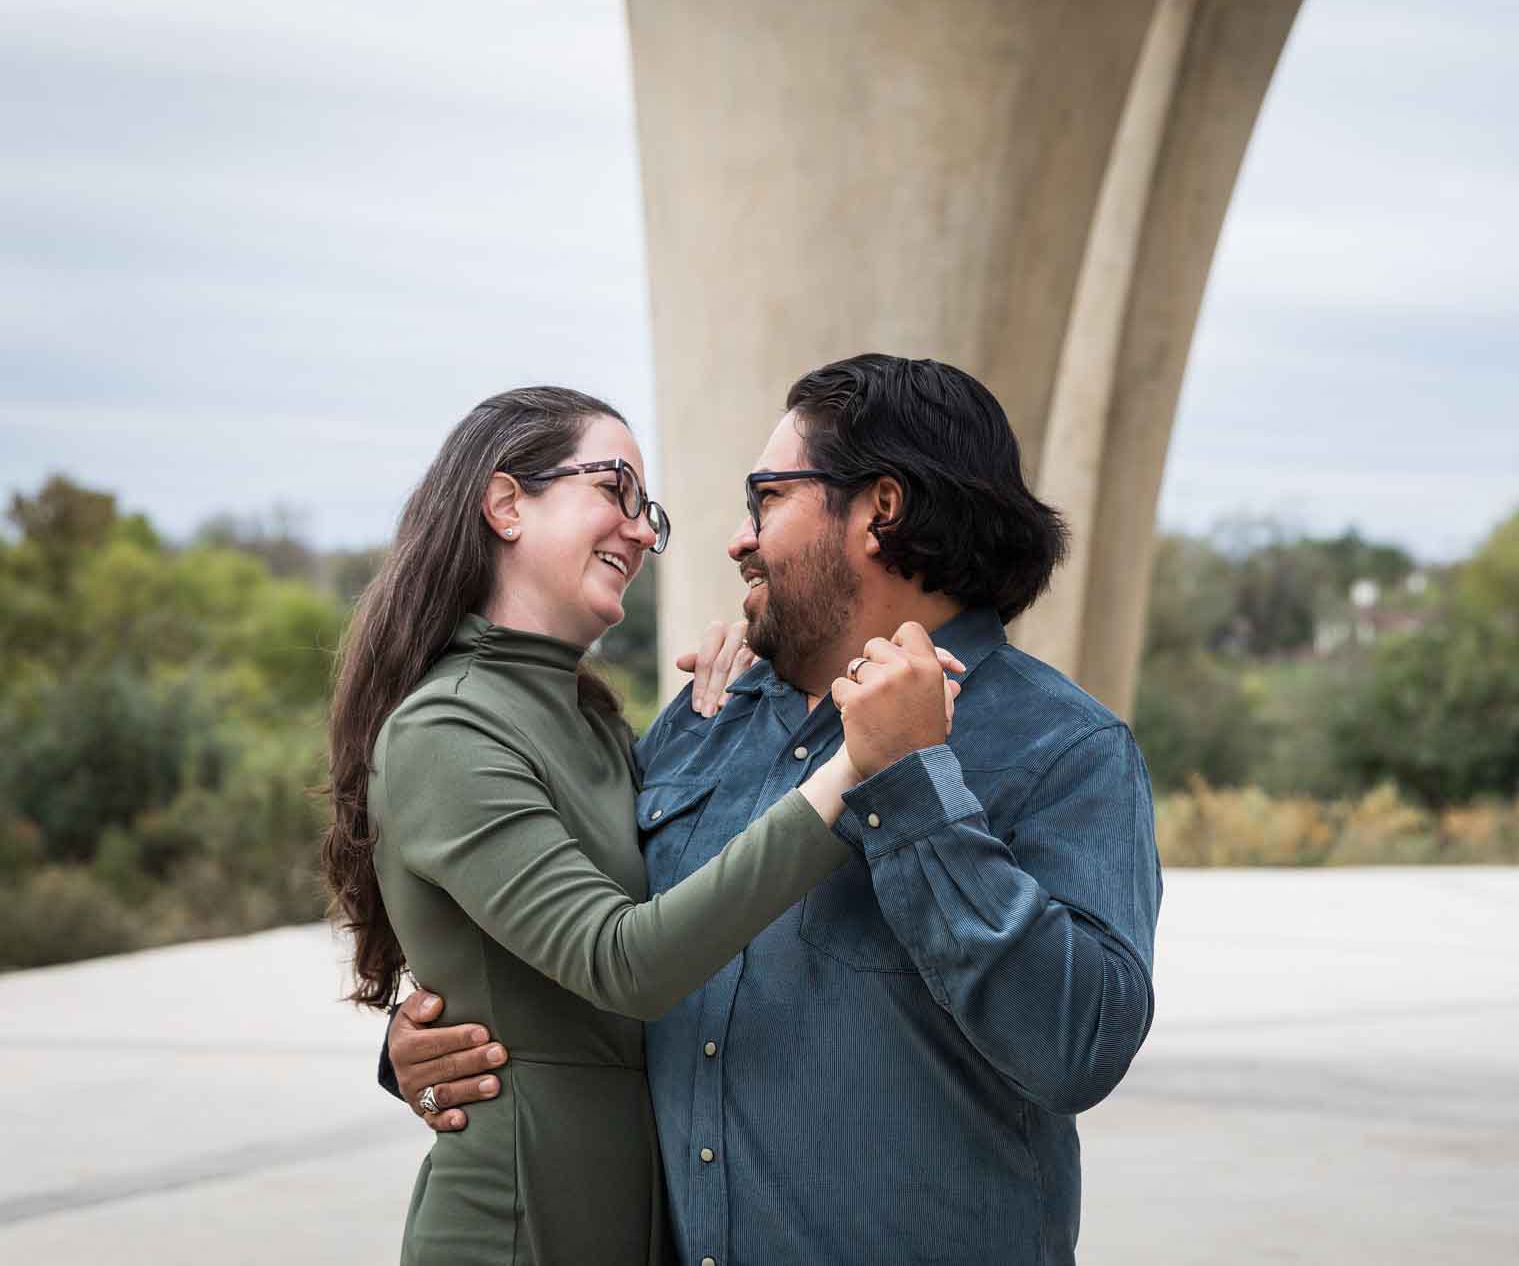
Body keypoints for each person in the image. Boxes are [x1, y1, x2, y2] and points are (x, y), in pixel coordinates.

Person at [385, 355, 1164, 1266]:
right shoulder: (711, 719)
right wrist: (438, 1041)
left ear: (879, 509)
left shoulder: (1064, 750)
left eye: (767, 499)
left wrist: (909, 783)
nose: (735, 539)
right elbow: (599, 937)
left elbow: (1078, 1048)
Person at [323, 385, 957, 1264]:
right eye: (616, 489)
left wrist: (730, 698)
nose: (641, 531)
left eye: (647, 511)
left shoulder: (592, 723)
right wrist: (855, 766)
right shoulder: (447, 730)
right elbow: (625, 960)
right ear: (507, 503)